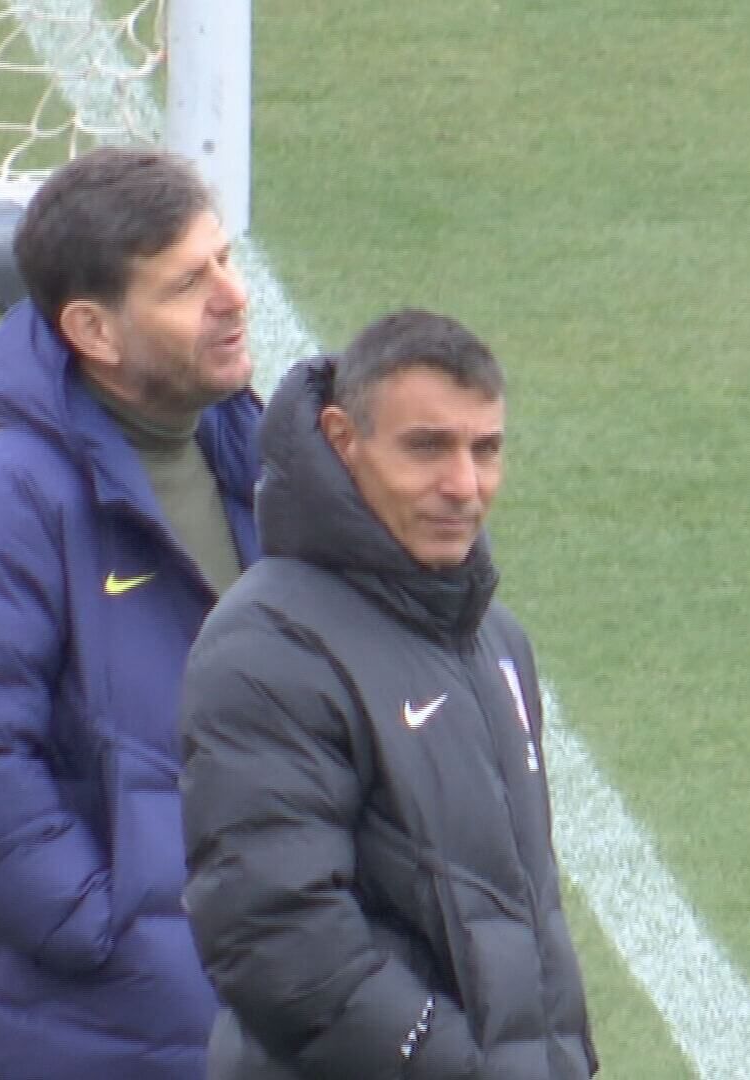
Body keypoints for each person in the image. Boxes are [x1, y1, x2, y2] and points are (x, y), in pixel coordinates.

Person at [0, 146, 261, 1080]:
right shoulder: (6, 503)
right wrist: (121, 937)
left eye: (224, 258)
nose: (233, 296)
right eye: (187, 284)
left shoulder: (261, 454)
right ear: (93, 329)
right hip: (86, 1039)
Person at [178, 309, 598, 1079]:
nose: (464, 486)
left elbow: (519, 923)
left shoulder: (492, 641)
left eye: (486, 449)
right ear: (343, 440)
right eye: (427, 447)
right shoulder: (269, 648)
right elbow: (283, 944)